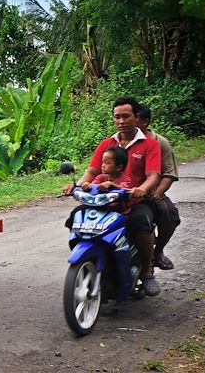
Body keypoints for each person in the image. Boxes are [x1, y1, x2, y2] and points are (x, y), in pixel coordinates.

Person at [64, 97, 163, 296]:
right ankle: (90, 258)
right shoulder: (106, 144)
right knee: (75, 218)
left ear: (136, 117)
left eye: (126, 116)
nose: (121, 121)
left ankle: (146, 270)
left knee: (141, 222)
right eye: (117, 117)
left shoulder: (150, 145)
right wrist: (78, 187)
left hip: (133, 200)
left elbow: (154, 175)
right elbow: (91, 172)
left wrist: (142, 188)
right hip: (105, 201)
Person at [134, 104, 181, 271]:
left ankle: (158, 252)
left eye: (134, 118)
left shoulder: (160, 143)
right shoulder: (119, 140)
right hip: (124, 190)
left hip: (151, 191)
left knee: (169, 214)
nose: (127, 122)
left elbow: (169, 173)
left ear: (145, 122)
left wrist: (157, 192)